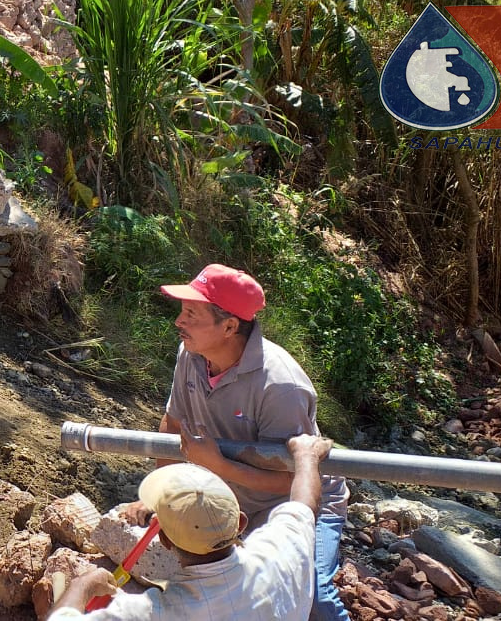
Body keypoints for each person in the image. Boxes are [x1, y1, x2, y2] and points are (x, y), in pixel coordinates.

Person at [121, 263, 351, 620]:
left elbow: (298, 477)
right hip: (231, 499)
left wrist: (219, 466)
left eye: (191, 313)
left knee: (313, 594)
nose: (179, 322)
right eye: (182, 311)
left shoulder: (280, 386)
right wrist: (158, 500)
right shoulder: (192, 354)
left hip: (299, 500)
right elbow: (174, 423)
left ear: (229, 326)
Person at [47, 434, 334, 620]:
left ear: (165, 541)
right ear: (240, 522)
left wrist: (82, 585)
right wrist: (307, 456)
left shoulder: (155, 612)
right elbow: (305, 504)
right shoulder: (279, 555)